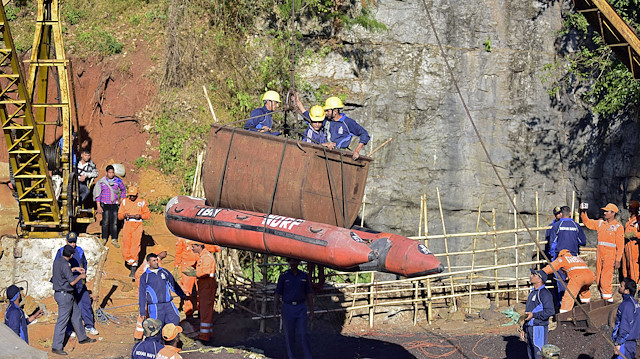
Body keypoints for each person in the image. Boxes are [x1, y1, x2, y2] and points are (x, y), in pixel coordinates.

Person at [51, 244, 96, 355]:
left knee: (76, 315)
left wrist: (74, 269)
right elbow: (72, 282)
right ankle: (56, 346)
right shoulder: (66, 264)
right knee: (62, 321)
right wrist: (80, 277)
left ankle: (82, 337)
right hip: (65, 295)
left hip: (62, 294)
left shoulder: (58, 262)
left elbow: (63, 272)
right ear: (71, 255)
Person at [54, 232, 98, 335]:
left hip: (79, 283)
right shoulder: (61, 252)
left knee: (85, 304)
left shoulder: (80, 251)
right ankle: (69, 329)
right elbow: (58, 269)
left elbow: (85, 263)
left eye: (74, 242)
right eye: (70, 242)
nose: (72, 244)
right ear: (66, 241)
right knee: (68, 308)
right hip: (68, 285)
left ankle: (89, 326)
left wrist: (83, 273)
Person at [581, 203, 624, 303]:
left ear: (613, 213)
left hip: (610, 256)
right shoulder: (600, 223)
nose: (604, 213)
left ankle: (608, 303)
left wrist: (618, 260)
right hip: (600, 255)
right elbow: (587, 222)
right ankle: (603, 300)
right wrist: (583, 212)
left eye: (607, 211)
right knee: (599, 280)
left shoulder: (618, 227)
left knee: (605, 281)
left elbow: (620, 245)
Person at [274, 257, 314, 359]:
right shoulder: (283, 276)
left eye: (295, 261)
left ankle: (308, 356)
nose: (293, 263)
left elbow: (309, 294)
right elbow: (278, 293)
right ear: (288, 262)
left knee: (303, 334)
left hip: (301, 308)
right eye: (291, 261)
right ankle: (291, 357)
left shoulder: (304, 276)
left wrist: (312, 311)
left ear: (299, 262)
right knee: (289, 335)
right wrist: (275, 309)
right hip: (288, 308)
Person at [138, 253, 186, 328]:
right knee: (157, 327)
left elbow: (174, 285)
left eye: (157, 260)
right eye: (153, 261)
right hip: (155, 306)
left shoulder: (165, 272)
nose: (156, 262)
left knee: (175, 322)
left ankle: (172, 339)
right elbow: (142, 295)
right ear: (148, 262)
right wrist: (142, 312)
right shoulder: (145, 277)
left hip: (168, 304)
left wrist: (182, 295)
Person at [185, 242, 221, 342]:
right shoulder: (203, 256)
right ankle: (208, 333)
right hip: (205, 287)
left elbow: (205, 272)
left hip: (207, 287)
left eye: (193, 246)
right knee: (205, 311)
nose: (191, 248)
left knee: (205, 312)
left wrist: (194, 273)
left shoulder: (206, 257)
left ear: (199, 246)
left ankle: (204, 337)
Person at [133, 246, 168, 342]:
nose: (166, 254)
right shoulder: (156, 262)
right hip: (148, 292)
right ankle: (146, 335)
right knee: (147, 312)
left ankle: (139, 335)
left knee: (145, 312)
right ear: (159, 253)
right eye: (164, 251)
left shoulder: (149, 262)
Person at [118, 186, 151, 277]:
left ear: (137, 194)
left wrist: (140, 216)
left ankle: (134, 267)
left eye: (133, 195)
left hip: (137, 225)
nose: (132, 197)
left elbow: (147, 215)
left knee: (135, 246)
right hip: (127, 225)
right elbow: (119, 215)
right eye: (130, 195)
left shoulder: (142, 202)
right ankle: (129, 261)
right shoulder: (124, 202)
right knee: (126, 245)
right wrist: (124, 215)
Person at [521, 269, 554, 359]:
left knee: (539, 354)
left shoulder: (545, 294)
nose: (531, 276)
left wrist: (534, 315)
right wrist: (524, 328)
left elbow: (550, 311)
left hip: (539, 328)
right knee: (531, 355)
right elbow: (528, 312)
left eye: (533, 275)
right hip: (530, 328)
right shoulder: (532, 293)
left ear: (540, 279)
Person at [323, 96, 370, 160]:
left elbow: (364, 134)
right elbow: (311, 119)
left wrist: (357, 151)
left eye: (328, 111)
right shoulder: (326, 121)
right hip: (328, 153)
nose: (326, 113)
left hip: (343, 156)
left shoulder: (348, 122)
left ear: (335, 111)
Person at [94, 165, 126, 247]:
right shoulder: (101, 182)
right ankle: (104, 238)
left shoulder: (118, 181)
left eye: (112, 172)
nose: (111, 174)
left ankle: (114, 239)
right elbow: (98, 195)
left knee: (114, 222)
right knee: (105, 222)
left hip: (114, 204)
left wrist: (121, 199)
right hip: (105, 204)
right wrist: (98, 206)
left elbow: (123, 190)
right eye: (109, 172)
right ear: (106, 173)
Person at [612, 278, 640, 359]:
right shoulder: (634, 303)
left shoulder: (626, 305)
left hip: (625, 344)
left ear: (627, 290)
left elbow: (625, 326)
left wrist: (618, 343)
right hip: (631, 343)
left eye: (621, 286)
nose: (619, 286)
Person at [174, 238, 199, 317]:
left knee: (201, 288)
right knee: (186, 290)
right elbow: (178, 252)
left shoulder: (198, 234)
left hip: (199, 263)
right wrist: (176, 265)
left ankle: (201, 310)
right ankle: (188, 311)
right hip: (187, 265)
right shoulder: (182, 238)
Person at [623, 200, 640, 282]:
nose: (631, 211)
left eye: (633, 209)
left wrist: (634, 234)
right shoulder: (628, 221)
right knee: (626, 269)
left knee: (634, 269)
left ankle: (636, 288)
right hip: (626, 247)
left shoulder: (638, 220)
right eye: (630, 209)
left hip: (634, 247)